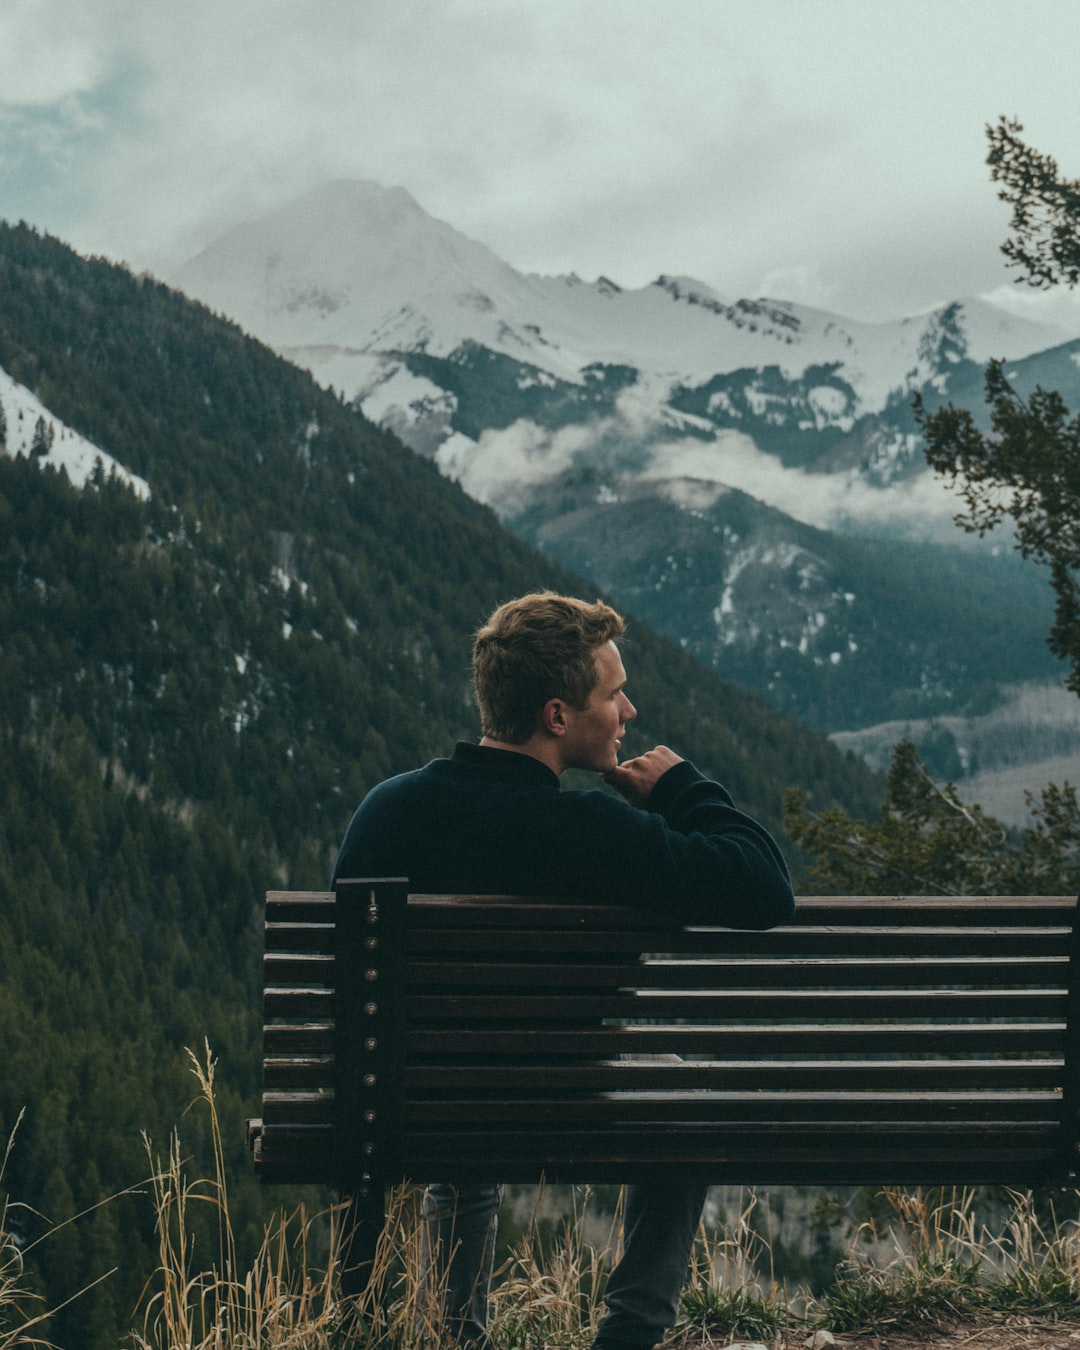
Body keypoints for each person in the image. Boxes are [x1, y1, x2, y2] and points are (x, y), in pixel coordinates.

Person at [332, 590, 795, 1350]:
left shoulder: (387, 811)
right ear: (556, 715)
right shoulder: (593, 830)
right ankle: (629, 1334)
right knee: (686, 1100)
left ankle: (455, 1338)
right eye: (613, 695)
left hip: (406, 1106)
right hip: (564, 1099)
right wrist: (682, 789)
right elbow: (764, 887)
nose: (629, 712)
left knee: (460, 1109)